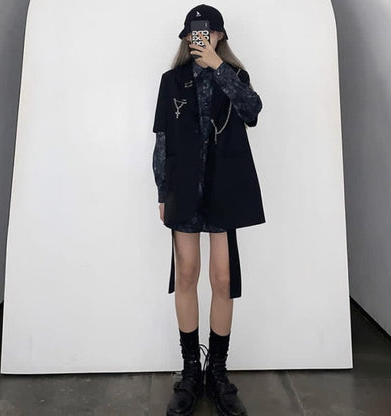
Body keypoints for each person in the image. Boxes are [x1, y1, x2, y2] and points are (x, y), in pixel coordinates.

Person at [152, 4, 265, 416]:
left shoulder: (234, 76)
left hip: (223, 187)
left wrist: (219, 67)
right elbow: (162, 138)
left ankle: (217, 372)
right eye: (194, 33)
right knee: (186, 273)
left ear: (219, 35)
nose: (201, 38)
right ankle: (190, 373)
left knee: (222, 278)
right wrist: (162, 190)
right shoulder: (172, 81)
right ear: (187, 37)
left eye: (209, 32)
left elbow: (252, 111)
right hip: (183, 188)